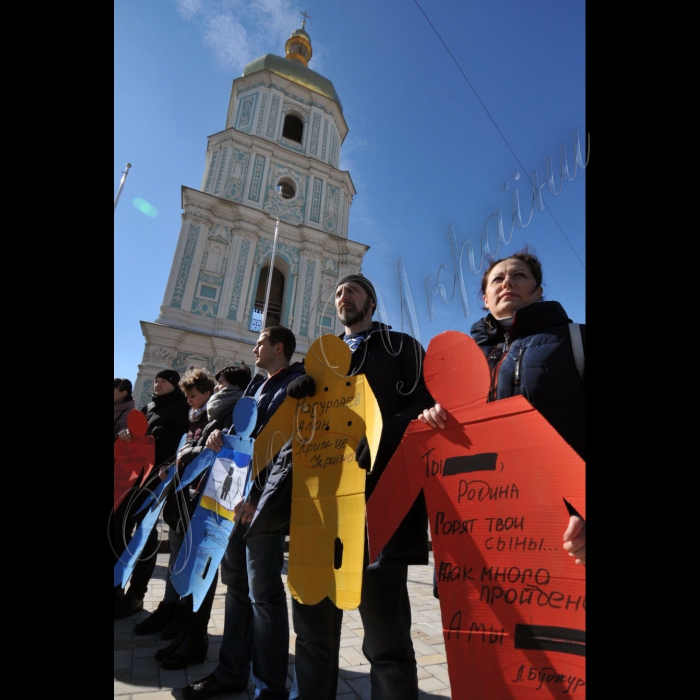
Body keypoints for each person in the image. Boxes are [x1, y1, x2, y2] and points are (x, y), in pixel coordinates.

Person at [289, 274, 435, 700]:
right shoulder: (320, 360)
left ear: (371, 302)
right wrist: (297, 395)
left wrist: (378, 436)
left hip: (378, 502)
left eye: (352, 289)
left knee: (385, 636)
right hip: (320, 505)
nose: (343, 295)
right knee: (314, 628)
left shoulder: (401, 347)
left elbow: (426, 401)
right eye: (337, 291)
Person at [418, 247, 586, 566]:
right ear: (485, 298)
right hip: (480, 530)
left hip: (566, 533)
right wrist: (434, 422)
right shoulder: (461, 364)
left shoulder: (576, 340)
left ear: (538, 291)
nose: (507, 281)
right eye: (498, 278)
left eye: (519, 275)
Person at [183, 326, 305, 700]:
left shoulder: (296, 386)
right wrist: (218, 435)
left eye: (260, 343)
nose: (254, 347)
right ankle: (232, 672)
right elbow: (242, 432)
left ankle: (269, 687)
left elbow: (289, 447)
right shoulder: (256, 386)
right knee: (235, 586)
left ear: (278, 347)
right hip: (234, 497)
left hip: (261, 505)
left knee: (263, 596)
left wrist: (262, 499)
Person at [137, 366, 251, 667]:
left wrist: (198, 448)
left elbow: (227, 451)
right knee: (185, 561)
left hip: (213, 500)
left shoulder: (236, 411)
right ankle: (185, 629)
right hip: (191, 495)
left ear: (231, 387)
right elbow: (192, 446)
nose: (216, 388)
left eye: (220, 383)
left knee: (202, 568)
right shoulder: (215, 412)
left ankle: (194, 638)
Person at [114, 369, 190, 619]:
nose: (157, 385)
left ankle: (136, 594)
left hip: (156, 478)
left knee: (145, 533)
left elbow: (181, 440)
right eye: (156, 381)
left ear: (173, 385)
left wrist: (151, 436)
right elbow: (136, 434)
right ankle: (116, 588)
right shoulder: (149, 407)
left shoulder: (180, 408)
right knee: (120, 529)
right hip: (132, 478)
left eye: (163, 382)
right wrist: (127, 436)